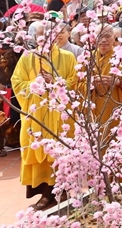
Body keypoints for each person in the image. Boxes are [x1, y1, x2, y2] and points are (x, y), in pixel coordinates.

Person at [12, 21, 78, 210]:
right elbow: (16, 82)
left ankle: (62, 190)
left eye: (49, 34)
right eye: (40, 35)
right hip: (36, 115)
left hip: (60, 116)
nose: (45, 38)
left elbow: (76, 82)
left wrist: (56, 81)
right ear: (35, 38)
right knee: (38, 150)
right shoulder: (27, 58)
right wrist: (35, 84)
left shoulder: (67, 57)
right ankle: (45, 193)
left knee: (61, 152)